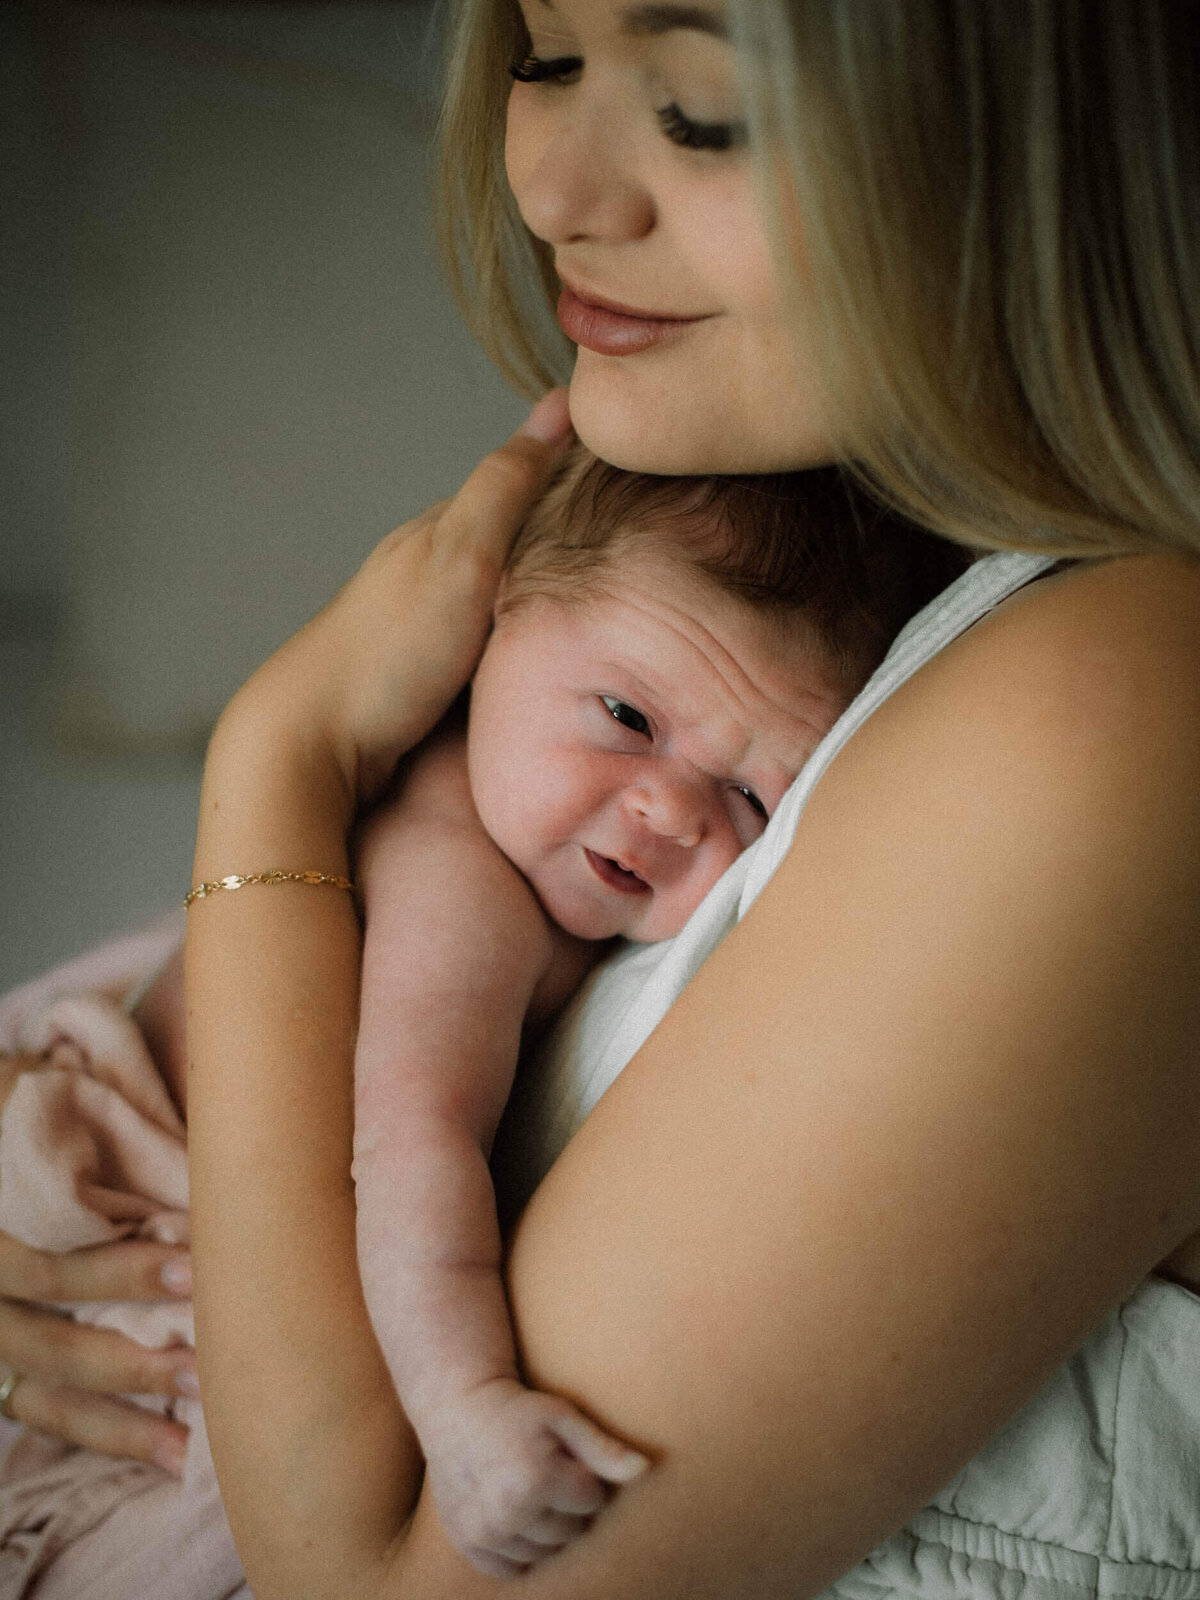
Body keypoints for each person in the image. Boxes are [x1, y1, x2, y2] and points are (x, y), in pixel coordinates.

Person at [7, 0, 1200, 1595]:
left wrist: (276, 757)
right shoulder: (850, 558)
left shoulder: (1113, 706)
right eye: (546, 57)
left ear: (1054, 163)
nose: (559, 188)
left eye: (701, 112)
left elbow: (366, 1584)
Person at [350, 446, 963, 1576]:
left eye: (749, 794)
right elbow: (405, 1145)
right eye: (628, 714)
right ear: (490, 622)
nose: (668, 809)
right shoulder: (457, 882)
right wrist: (467, 1410)